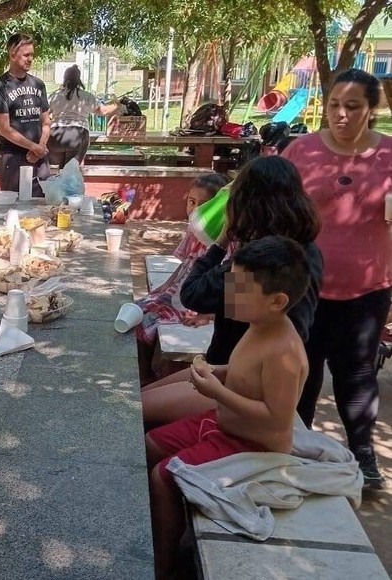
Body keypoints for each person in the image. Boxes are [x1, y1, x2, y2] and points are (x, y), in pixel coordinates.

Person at [145, 235, 310, 578]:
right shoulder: (259, 325)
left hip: (253, 445)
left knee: (162, 477)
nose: (229, 294)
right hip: (222, 423)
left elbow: (277, 418)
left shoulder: (284, 352)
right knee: (147, 443)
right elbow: (246, 373)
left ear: (277, 301)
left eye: (240, 288)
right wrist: (219, 371)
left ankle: (163, 563)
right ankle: (157, 525)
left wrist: (218, 391)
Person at [141, 156, 322, 427]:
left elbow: (192, 295)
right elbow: (240, 308)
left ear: (245, 205)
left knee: (135, 411)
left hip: (239, 386)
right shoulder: (306, 251)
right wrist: (216, 313)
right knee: (140, 397)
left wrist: (222, 239)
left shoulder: (258, 261)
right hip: (231, 372)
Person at [281, 69, 392, 489]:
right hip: (302, 287)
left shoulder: (389, 155)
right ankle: (297, 449)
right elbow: (276, 211)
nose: (341, 115)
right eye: (334, 106)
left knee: (357, 374)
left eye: (353, 106)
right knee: (301, 371)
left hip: (368, 290)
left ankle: (363, 457)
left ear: (371, 110)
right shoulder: (301, 151)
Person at [134, 174, 228, 382]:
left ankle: (149, 378)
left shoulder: (226, 243)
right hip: (179, 289)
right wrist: (162, 288)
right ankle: (142, 374)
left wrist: (209, 316)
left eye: (203, 205)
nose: (195, 210)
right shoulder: (193, 232)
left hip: (196, 303)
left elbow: (230, 291)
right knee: (138, 310)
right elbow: (184, 263)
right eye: (191, 202)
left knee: (150, 324)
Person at [0, 33, 50, 197]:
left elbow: (46, 122)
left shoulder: (38, 85)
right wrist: (33, 147)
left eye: (32, 55)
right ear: (13, 55)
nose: (30, 59)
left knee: (42, 205)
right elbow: (5, 129)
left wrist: (41, 147)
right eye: (26, 55)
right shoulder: (0, 87)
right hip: (13, 159)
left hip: (39, 158)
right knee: (14, 208)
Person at [47, 64, 120, 166]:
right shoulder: (86, 96)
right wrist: (116, 105)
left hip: (55, 135)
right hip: (77, 135)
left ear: (64, 78)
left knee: (55, 172)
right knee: (71, 174)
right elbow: (102, 111)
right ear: (78, 79)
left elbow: (45, 114)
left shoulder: (54, 96)